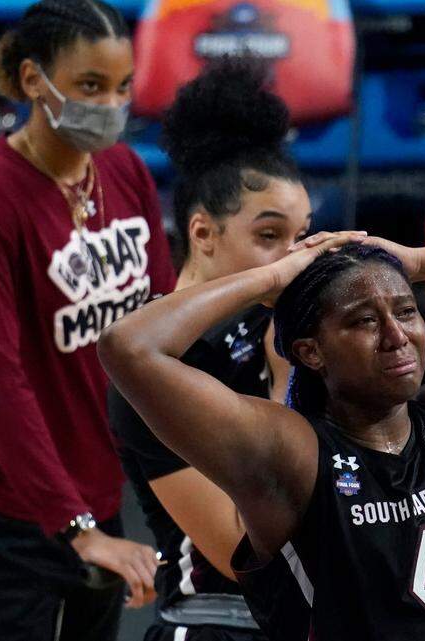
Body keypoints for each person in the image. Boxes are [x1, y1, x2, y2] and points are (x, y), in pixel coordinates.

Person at [99, 223, 425, 639]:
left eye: (406, 311)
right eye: (364, 321)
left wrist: (420, 260)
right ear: (309, 351)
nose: (398, 336)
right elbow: (131, 346)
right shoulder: (291, 454)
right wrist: (277, 279)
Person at [0, 1, 176, 640]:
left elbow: (161, 325)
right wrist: (75, 527)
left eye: (122, 87)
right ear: (33, 81)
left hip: (92, 496)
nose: (111, 105)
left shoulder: (124, 170)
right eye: (89, 86)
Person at [108, 59, 310, 641]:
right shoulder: (153, 365)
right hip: (217, 624)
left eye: (304, 234)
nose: (296, 259)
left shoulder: (279, 329)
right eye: (270, 237)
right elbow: (245, 555)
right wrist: (284, 387)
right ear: (203, 233)